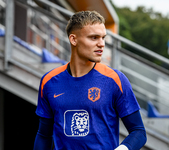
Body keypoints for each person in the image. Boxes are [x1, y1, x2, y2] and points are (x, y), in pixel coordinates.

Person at [33, 10, 147, 150]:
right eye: (94, 37)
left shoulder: (115, 80)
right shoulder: (49, 81)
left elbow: (138, 132)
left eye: (103, 38)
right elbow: (44, 135)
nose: (101, 44)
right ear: (73, 39)